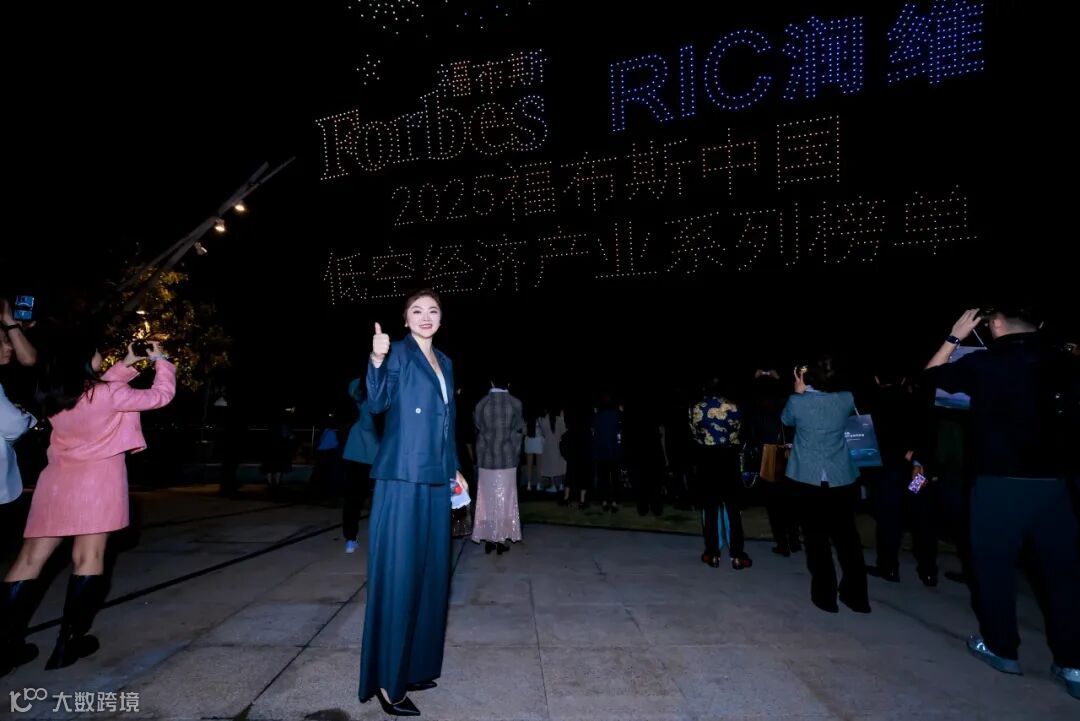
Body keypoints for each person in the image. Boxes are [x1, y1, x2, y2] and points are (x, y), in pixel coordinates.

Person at [924, 308, 1079, 699]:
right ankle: (1074, 663)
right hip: (1056, 484)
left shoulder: (987, 362)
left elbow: (931, 378)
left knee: (994, 569)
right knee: (1064, 575)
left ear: (994, 324)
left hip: (999, 482)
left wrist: (955, 335)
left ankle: (1002, 648)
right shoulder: (1065, 361)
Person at [1, 338, 175, 676]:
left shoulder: (54, 395)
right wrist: (162, 360)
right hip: (98, 483)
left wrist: (127, 363)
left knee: (29, 560)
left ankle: (4, 646)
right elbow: (160, 396)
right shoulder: (106, 394)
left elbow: (100, 392)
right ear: (82, 358)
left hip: (55, 482)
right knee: (89, 557)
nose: (100, 355)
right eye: (96, 351)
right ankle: (68, 644)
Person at [358, 289, 468, 717]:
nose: (426, 316)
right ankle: (389, 680)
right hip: (403, 476)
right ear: (405, 319)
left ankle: (416, 666)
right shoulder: (398, 354)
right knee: (401, 577)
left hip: (436, 478)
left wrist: (454, 467)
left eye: (433, 310)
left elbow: (448, 422)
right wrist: (377, 358)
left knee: (432, 575)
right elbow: (377, 402)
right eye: (417, 311)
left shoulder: (446, 362)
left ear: (441, 318)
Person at [781, 356, 870, 614]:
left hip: (808, 478)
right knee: (847, 538)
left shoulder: (797, 402)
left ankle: (825, 596)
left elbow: (786, 420)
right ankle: (857, 597)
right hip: (841, 476)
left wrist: (799, 391)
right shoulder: (846, 399)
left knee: (816, 538)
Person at [689, 378, 752, 570]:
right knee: (732, 508)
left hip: (707, 459)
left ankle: (712, 553)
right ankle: (737, 555)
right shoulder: (734, 407)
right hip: (728, 458)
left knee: (710, 508)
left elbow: (695, 434)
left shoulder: (696, 408)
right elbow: (739, 432)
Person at [471, 375, 525, 554]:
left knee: (487, 499)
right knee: (506, 499)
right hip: (508, 458)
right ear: (508, 383)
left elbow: (478, 426)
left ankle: (488, 538)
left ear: (491, 382)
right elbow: (518, 429)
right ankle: (501, 539)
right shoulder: (515, 404)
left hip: (486, 458)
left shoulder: (481, 404)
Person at [341, 376, 379, 553]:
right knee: (381, 499)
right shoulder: (381, 401)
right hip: (376, 456)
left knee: (353, 499)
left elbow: (353, 387)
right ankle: (381, 538)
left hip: (356, 453)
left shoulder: (362, 399)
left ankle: (350, 539)